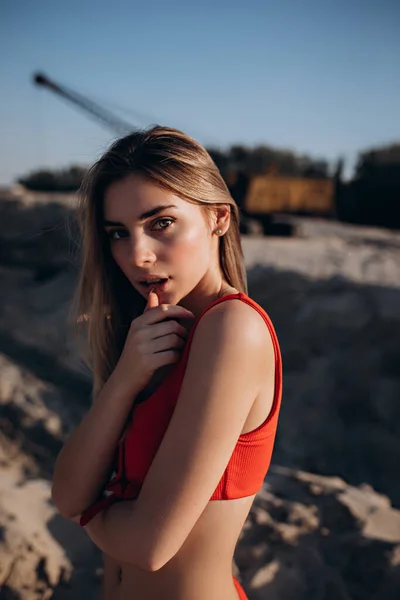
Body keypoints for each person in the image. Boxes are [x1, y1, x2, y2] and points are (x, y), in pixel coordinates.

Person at [51, 126, 283, 600]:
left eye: (161, 223)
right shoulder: (148, 334)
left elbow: (149, 544)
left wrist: (86, 510)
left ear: (218, 218)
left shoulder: (231, 329)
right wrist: (124, 380)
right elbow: (65, 489)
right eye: (118, 233)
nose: (137, 256)